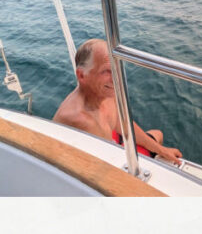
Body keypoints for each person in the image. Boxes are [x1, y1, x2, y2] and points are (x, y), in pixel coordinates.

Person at [54, 39, 183, 165]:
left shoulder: (105, 92)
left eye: (115, 69)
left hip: (110, 142)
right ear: (81, 75)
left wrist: (161, 150)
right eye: (105, 71)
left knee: (158, 135)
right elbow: (106, 167)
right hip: (100, 161)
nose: (116, 78)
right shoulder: (83, 121)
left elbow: (122, 123)